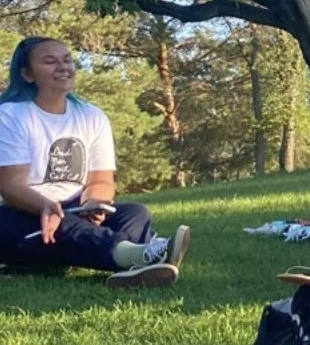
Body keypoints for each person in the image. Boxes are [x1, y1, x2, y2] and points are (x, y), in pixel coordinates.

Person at [0, 37, 190, 287]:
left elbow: (101, 179)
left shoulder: (92, 115)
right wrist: (47, 207)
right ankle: (140, 256)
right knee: (61, 223)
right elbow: (10, 186)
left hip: (75, 208)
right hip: (22, 212)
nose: (63, 67)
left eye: (67, 60)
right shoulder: (10, 116)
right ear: (27, 74)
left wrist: (94, 203)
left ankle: (128, 263)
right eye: (50, 61)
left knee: (135, 213)